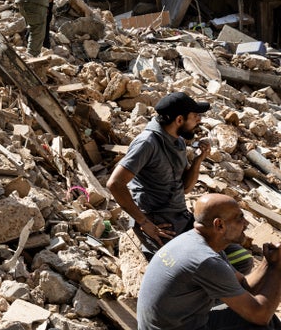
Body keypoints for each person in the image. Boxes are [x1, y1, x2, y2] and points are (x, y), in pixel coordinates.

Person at [106, 92, 253, 272]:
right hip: (161, 224)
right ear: (179, 120)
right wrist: (144, 223)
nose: (199, 120)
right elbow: (115, 184)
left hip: (181, 217)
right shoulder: (147, 143)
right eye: (195, 116)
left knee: (242, 260)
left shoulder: (178, 142)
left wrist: (198, 160)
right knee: (203, 272)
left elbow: (185, 188)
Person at [137, 194, 281, 330]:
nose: (246, 223)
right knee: (261, 324)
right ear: (219, 225)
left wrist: (269, 263)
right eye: (239, 218)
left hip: (175, 323)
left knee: (266, 318)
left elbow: (244, 285)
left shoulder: (197, 242)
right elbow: (260, 316)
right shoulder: (205, 261)